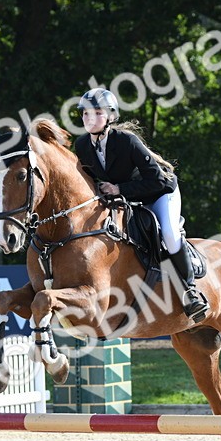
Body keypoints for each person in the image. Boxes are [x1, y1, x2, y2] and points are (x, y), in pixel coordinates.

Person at [73, 87, 210, 322]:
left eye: (96, 113)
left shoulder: (126, 141)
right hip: (128, 200)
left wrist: (119, 189)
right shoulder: (82, 145)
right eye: (85, 113)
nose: (89, 118)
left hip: (159, 193)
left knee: (169, 233)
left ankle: (190, 291)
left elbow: (157, 180)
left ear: (110, 116)